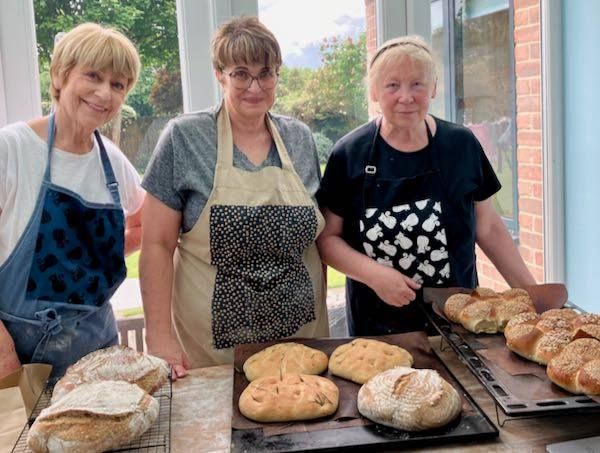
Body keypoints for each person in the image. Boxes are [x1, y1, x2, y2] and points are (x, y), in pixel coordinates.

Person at [140, 16, 329, 378]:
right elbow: (157, 246)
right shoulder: (186, 138)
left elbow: (316, 240)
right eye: (241, 73)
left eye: (266, 72)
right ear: (219, 74)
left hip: (302, 341)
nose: (255, 86)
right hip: (213, 352)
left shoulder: (300, 139)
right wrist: (159, 337)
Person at [316, 35, 535, 336]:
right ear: (374, 91)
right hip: (378, 329)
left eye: (417, 84)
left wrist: (534, 300)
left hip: (458, 323)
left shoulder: (461, 145)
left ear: (432, 87)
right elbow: (327, 239)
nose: (406, 96)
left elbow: (489, 227)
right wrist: (375, 275)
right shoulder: (349, 153)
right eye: (392, 85)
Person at [0, 23, 144, 380]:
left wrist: (93, 259)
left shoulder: (111, 161)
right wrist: (3, 357)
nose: (104, 93)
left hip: (99, 352)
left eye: (118, 84)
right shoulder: (12, 149)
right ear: (61, 76)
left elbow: (143, 222)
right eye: (93, 75)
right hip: (20, 357)